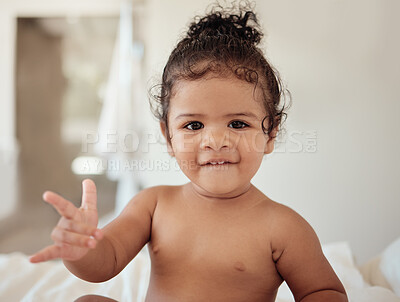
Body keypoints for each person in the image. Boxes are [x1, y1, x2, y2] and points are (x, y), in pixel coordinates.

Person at [30, 2, 348, 301]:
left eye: (238, 123)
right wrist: (80, 247)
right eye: (193, 126)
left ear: (270, 134)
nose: (215, 140)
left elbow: (324, 291)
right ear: (168, 138)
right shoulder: (153, 205)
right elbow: (105, 262)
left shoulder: (284, 227)